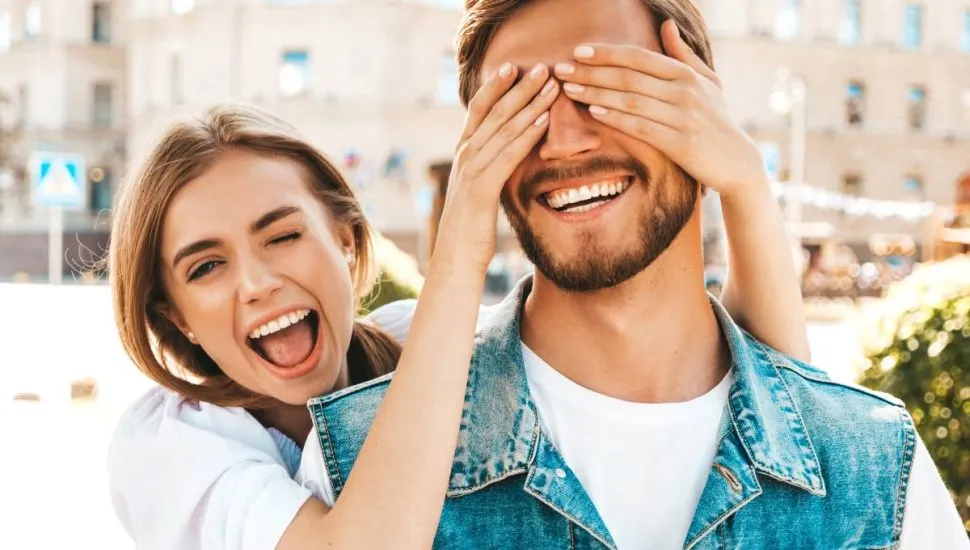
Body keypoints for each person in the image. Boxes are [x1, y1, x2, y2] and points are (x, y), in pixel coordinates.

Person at [295, 0, 970, 548]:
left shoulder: (876, 467)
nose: (564, 141)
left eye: (607, 90)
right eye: (520, 108)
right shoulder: (355, 467)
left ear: (702, 113)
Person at [106, 63, 814, 550]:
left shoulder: (419, 346)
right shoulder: (168, 446)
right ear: (175, 317)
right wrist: (465, 232)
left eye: (283, 236)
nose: (256, 283)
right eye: (206, 267)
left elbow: (773, 395)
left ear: (347, 242)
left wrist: (744, 183)